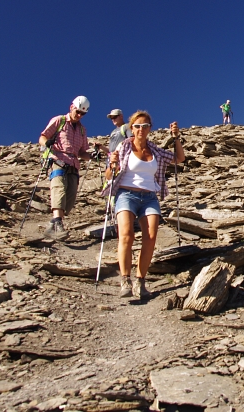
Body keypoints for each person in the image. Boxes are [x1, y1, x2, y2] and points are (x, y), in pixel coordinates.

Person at [105, 111, 185, 298]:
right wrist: (112, 164)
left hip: (149, 196)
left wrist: (176, 138)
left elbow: (179, 159)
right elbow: (109, 176)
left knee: (150, 236)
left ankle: (140, 280)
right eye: (137, 126)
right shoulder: (123, 147)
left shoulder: (155, 150)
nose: (141, 129)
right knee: (126, 234)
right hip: (125, 194)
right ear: (131, 128)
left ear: (150, 128)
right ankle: (125, 279)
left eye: (145, 126)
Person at [39, 96, 93, 237]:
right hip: (58, 160)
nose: (80, 115)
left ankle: (53, 225)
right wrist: (47, 143)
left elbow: (82, 152)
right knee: (59, 189)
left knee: (70, 197)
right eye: (78, 112)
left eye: (83, 114)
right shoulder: (59, 121)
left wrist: (92, 156)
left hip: (73, 165)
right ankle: (58, 223)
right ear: (71, 107)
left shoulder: (82, 130)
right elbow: (43, 137)